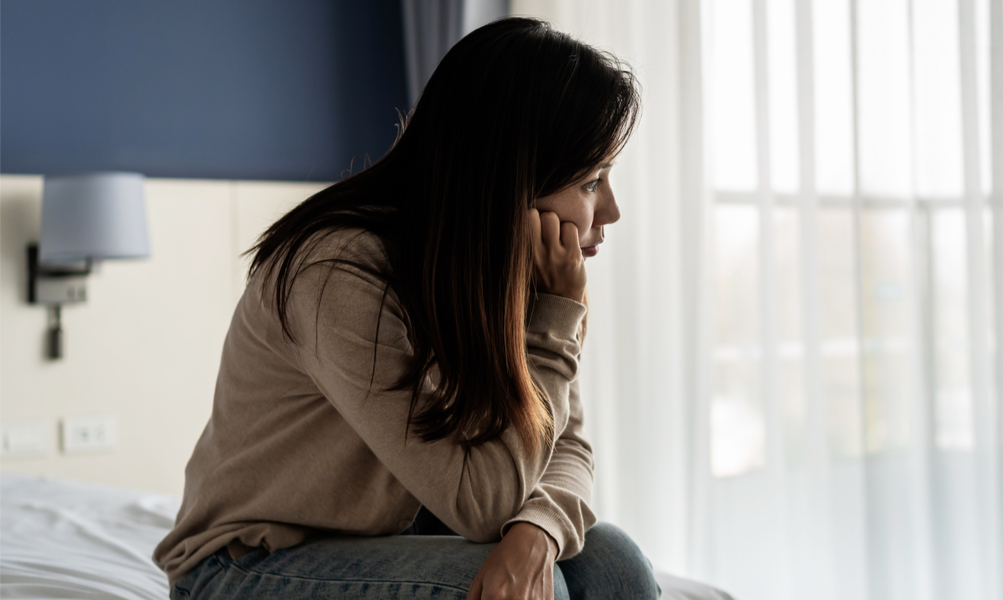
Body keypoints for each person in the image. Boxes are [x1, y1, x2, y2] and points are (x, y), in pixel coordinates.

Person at [153, 17, 660, 600]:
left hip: (388, 534)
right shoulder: (336, 273)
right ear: (510, 176)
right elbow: (480, 503)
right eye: (592, 181)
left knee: (616, 566)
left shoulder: (493, 269)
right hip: (241, 564)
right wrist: (555, 324)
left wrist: (537, 532)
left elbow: (565, 444)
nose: (612, 211)